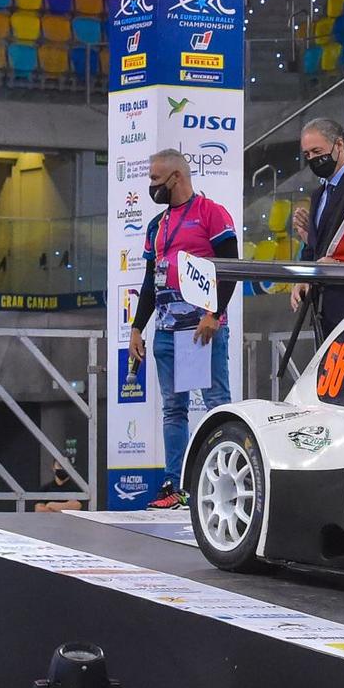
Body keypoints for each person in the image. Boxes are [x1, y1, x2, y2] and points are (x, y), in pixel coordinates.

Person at [129, 149, 237, 509]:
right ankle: (175, 485)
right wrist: (136, 329)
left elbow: (231, 268)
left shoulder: (212, 213)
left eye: (155, 180)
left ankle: (224, 479)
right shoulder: (155, 226)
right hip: (166, 329)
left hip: (201, 329)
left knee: (215, 405)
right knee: (173, 410)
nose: (151, 187)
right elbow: (148, 280)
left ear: (176, 177)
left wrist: (215, 314)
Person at [288, 118, 344, 341]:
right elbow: (316, 250)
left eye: (317, 151)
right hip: (324, 309)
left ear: (339, 145)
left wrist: (341, 263)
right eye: (307, 155)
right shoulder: (318, 195)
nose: (313, 159)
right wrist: (303, 276)